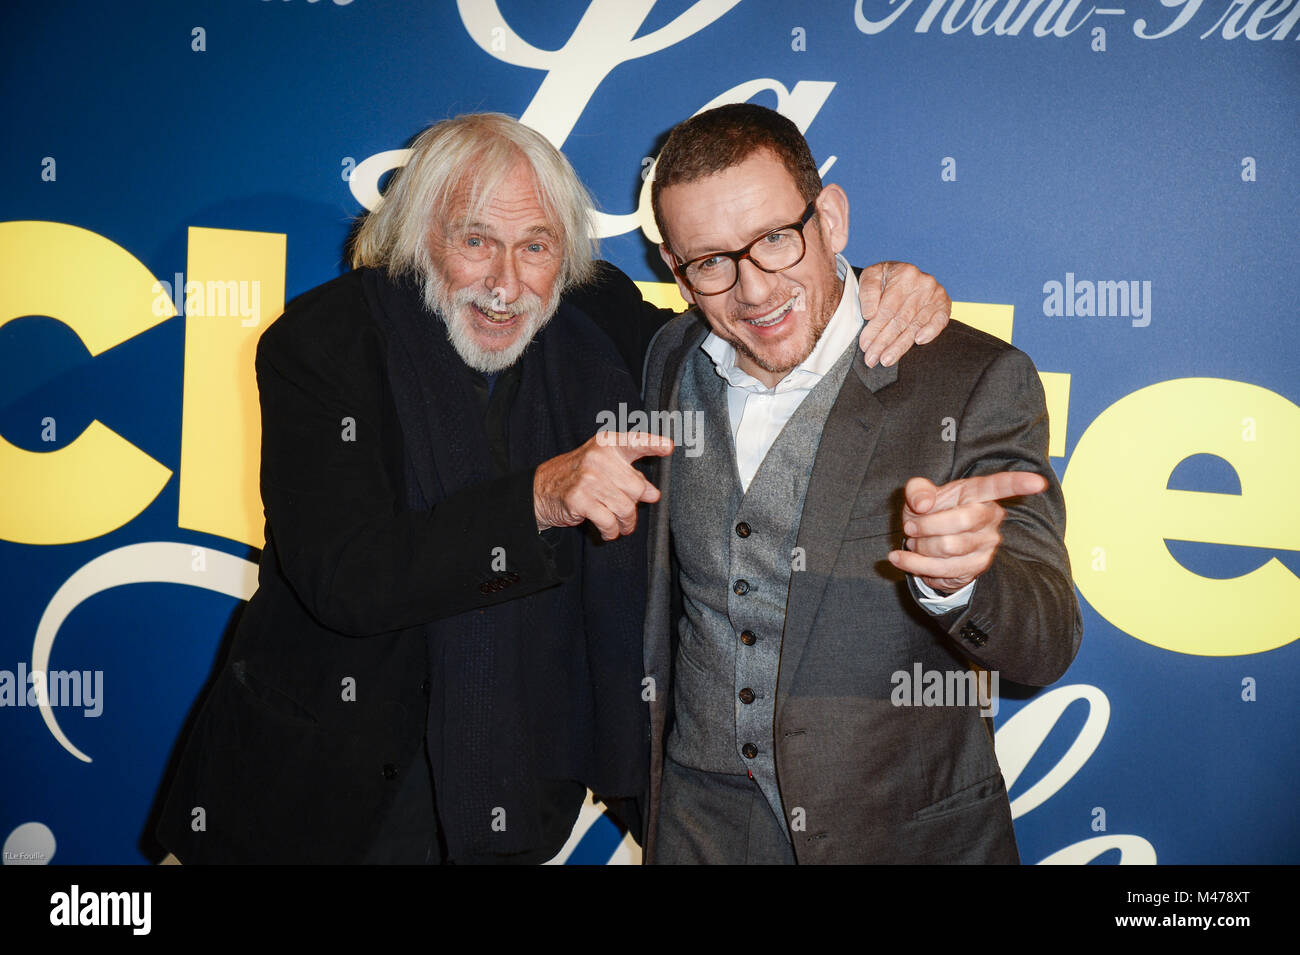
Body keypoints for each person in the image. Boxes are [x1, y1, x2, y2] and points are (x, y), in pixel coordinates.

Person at [154, 112, 951, 864]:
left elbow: (751, 315)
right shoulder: (323, 344)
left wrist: (874, 286)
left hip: (516, 803)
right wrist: (537, 499)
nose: (507, 282)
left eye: (536, 246)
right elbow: (347, 578)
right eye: (476, 241)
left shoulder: (594, 325)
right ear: (418, 238)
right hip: (311, 801)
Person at [639, 103, 1083, 864]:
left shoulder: (972, 378)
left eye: (776, 239)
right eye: (711, 262)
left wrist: (964, 582)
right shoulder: (666, 359)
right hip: (697, 828)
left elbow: (1046, 644)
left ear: (831, 219)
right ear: (677, 274)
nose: (751, 290)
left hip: (900, 835)